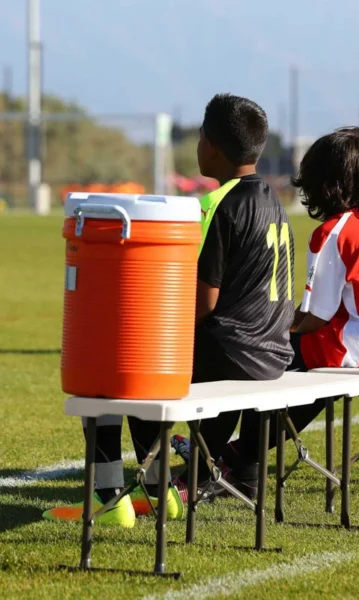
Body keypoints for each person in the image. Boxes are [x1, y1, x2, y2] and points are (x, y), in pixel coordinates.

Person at [43, 93, 294, 525]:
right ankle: (160, 494)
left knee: (113, 368)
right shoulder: (274, 201)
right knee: (140, 367)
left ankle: (108, 501)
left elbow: (202, 301)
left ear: (210, 145)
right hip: (271, 352)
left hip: (232, 352)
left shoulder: (217, 205)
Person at [173, 127, 359, 496]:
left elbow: (315, 317)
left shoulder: (334, 231)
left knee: (257, 354)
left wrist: (268, 327)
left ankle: (223, 464)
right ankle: (238, 458)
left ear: (324, 182)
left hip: (358, 345)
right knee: (270, 351)